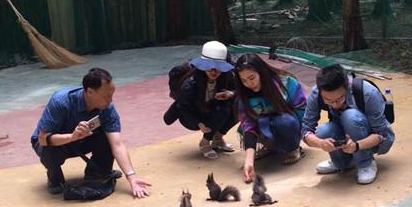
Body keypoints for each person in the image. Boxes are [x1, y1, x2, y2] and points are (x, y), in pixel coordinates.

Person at [31, 68, 150, 198]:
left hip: (82, 140)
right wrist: (72, 136)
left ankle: (96, 174)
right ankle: (54, 175)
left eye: (112, 94)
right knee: (48, 149)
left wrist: (131, 177)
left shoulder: (107, 109)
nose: (110, 100)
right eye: (106, 96)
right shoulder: (61, 101)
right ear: (90, 92)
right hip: (54, 144)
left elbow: (117, 144)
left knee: (106, 138)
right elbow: (42, 139)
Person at [301, 64, 395, 185]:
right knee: (323, 131)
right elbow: (305, 130)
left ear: (347, 86)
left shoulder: (367, 92)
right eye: (328, 101)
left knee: (350, 116)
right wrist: (320, 143)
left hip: (370, 136)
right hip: (344, 131)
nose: (334, 105)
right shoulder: (316, 94)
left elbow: (382, 135)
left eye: (340, 99)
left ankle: (365, 163)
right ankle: (342, 163)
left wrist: (357, 146)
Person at [235, 53, 307, 182]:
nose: (249, 84)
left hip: (290, 122)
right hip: (266, 123)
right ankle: (271, 147)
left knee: (284, 122)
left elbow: (302, 109)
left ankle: (293, 148)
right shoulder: (244, 95)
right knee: (251, 125)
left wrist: (304, 134)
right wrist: (249, 161)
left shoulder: (285, 82)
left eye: (252, 78)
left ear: (261, 72)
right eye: (244, 80)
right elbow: (249, 125)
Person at [163, 41, 237, 159]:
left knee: (238, 106)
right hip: (192, 115)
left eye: (218, 68)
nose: (214, 72)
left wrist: (230, 93)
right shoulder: (191, 83)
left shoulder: (227, 76)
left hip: (215, 110)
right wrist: (198, 122)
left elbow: (238, 90)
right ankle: (205, 143)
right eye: (210, 68)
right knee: (221, 112)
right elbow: (183, 107)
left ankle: (217, 138)